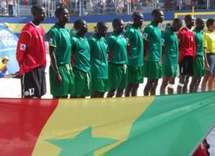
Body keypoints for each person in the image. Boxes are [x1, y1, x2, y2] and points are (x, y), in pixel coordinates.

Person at [16, 5, 46, 98]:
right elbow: (20, 52)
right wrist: (23, 67)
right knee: (30, 99)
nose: (44, 15)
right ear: (34, 14)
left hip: (40, 69)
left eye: (44, 13)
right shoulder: (27, 30)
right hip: (30, 70)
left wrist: (43, 65)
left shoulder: (41, 29)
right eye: (41, 13)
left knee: (39, 96)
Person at [47, 6, 74, 98]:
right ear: (58, 16)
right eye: (65, 14)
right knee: (58, 97)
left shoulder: (67, 31)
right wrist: (57, 73)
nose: (67, 16)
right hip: (59, 68)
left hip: (67, 68)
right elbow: (51, 53)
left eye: (68, 13)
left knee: (66, 96)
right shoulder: (54, 31)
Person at [143, 9, 164, 96]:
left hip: (158, 59)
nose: (163, 17)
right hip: (151, 58)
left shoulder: (159, 29)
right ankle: (145, 99)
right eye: (161, 15)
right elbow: (144, 42)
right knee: (151, 81)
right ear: (154, 16)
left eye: (163, 15)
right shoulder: (148, 28)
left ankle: (153, 99)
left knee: (156, 82)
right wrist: (146, 55)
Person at [107, 18, 128, 97]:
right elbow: (107, 53)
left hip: (124, 65)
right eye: (120, 25)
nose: (122, 27)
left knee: (121, 89)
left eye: (123, 25)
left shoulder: (123, 38)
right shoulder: (111, 39)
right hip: (115, 66)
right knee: (112, 89)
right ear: (115, 26)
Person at [160, 18, 182, 95]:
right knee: (165, 81)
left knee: (172, 81)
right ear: (174, 24)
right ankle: (162, 97)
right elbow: (162, 47)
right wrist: (163, 59)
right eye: (178, 26)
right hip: (167, 60)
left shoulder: (175, 34)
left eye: (180, 27)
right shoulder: (166, 33)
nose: (179, 28)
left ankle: (170, 96)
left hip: (175, 61)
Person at [124, 12, 144, 97]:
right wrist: (131, 56)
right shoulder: (130, 31)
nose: (142, 21)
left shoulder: (139, 30)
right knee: (130, 85)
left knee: (136, 85)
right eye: (140, 19)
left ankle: (134, 102)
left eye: (143, 19)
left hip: (139, 62)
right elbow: (126, 44)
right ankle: (127, 103)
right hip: (132, 63)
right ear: (135, 20)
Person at [71, 19, 91, 98]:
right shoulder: (74, 40)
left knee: (84, 96)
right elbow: (70, 55)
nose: (86, 27)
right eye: (84, 25)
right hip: (78, 71)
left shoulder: (86, 39)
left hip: (87, 71)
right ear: (78, 27)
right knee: (75, 96)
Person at [177, 15, 196, 94]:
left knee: (188, 78)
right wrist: (179, 59)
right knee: (182, 77)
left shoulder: (191, 32)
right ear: (187, 21)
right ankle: (179, 95)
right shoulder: (182, 32)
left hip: (191, 57)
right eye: (192, 20)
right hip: (184, 58)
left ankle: (185, 94)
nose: (193, 21)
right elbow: (178, 45)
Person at [89, 22, 108, 98]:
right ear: (98, 30)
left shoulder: (104, 40)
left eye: (106, 30)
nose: (105, 32)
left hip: (105, 71)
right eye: (104, 30)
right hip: (96, 72)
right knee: (95, 93)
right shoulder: (92, 41)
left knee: (102, 93)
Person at [190, 18, 205, 92]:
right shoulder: (193, 33)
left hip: (201, 57)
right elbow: (192, 47)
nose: (203, 25)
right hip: (195, 58)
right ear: (197, 23)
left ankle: (194, 92)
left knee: (199, 78)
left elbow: (202, 47)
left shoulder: (201, 33)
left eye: (204, 23)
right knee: (195, 77)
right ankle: (191, 93)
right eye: (202, 23)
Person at [201, 18, 215, 91]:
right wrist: (206, 62)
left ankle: (211, 90)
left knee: (213, 75)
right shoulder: (205, 34)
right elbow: (204, 49)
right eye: (214, 24)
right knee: (207, 75)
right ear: (210, 25)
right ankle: (202, 91)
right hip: (210, 56)